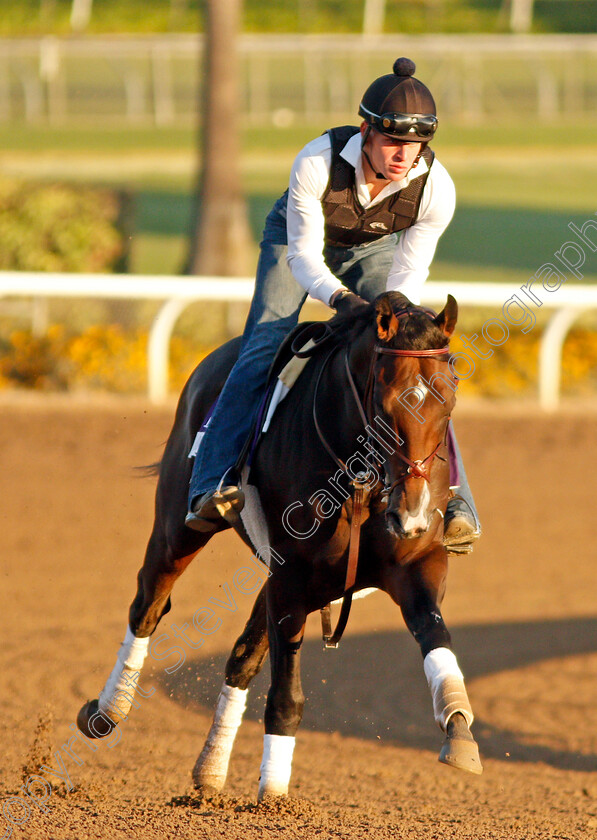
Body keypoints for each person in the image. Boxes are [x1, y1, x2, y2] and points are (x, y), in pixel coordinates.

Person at [185, 57, 481, 552]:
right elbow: (303, 256)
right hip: (296, 243)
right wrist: (340, 299)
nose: (403, 154)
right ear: (365, 131)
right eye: (391, 141)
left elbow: (408, 274)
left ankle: (455, 500)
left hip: (376, 248)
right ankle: (210, 482)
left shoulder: (438, 188)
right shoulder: (316, 161)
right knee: (263, 346)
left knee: (418, 367)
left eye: (414, 145)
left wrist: (396, 310)